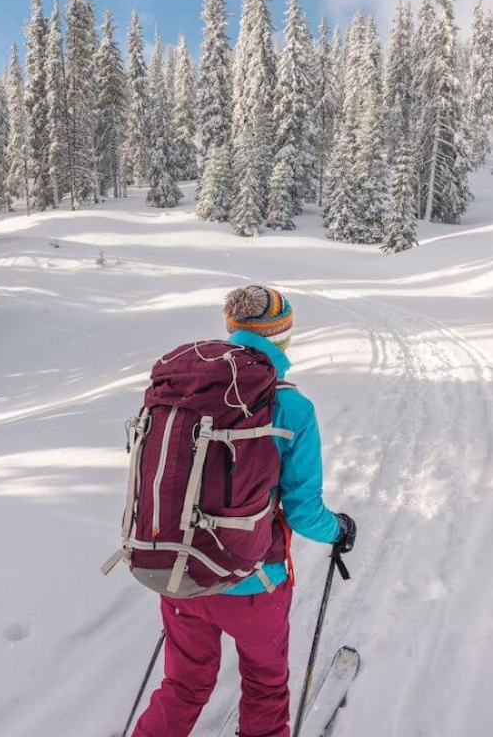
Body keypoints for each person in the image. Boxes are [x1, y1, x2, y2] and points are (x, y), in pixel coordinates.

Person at [133, 285, 356, 737]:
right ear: (283, 336)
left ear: (231, 328)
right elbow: (302, 510)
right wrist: (339, 531)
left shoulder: (179, 392)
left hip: (179, 572)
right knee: (265, 684)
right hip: (254, 580)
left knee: (183, 683)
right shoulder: (290, 405)